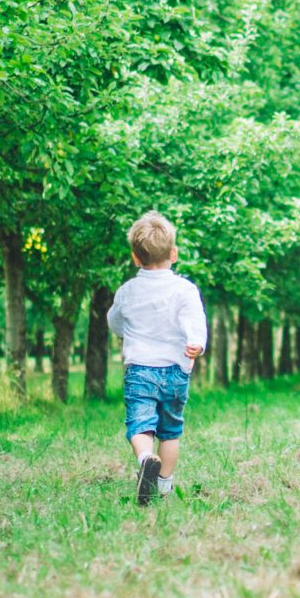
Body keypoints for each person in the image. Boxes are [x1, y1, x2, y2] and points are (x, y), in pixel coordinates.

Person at [107, 211, 208, 505]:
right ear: (174, 253)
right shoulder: (185, 290)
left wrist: (125, 329)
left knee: (140, 426)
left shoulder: (127, 291)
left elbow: (114, 322)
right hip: (176, 371)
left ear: (135, 258)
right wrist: (196, 346)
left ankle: (144, 459)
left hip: (140, 369)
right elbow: (196, 325)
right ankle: (164, 486)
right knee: (170, 431)